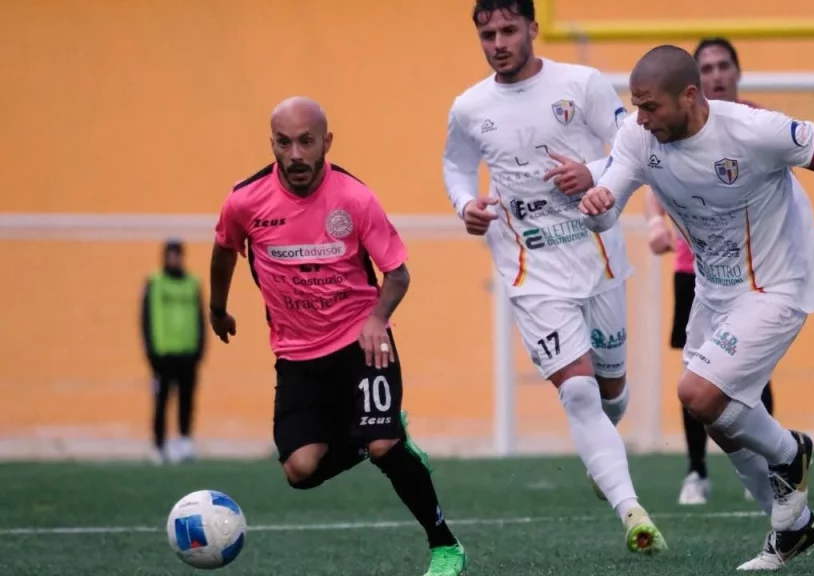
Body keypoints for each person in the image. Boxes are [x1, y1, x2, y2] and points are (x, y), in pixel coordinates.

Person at [579, 45, 814, 570]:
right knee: (715, 417)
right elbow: (607, 205)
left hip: (777, 286)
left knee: (696, 392)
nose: (639, 118)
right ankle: (793, 529)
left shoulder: (754, 131)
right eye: (635, 106)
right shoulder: (639, 138)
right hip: (714, 291)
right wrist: (596, 206)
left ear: (689, 96)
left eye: (650, 107)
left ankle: (789, 451)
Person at [442, 0, 665, 554]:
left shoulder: (582, 84)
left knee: (612, 395)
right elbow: (457, 165)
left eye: (508, 30)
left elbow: (635, 146)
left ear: (533, 28)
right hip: (531, 270)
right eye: (488, 34)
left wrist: (592, 172)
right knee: (580, 392)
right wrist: (466, 204)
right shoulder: (469, 108)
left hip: (598, 258)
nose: (498, 43)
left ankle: (602, 457)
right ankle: (633, 512)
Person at [209, 97, 466, 576]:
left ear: (326, 142)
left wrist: (377, 319)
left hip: (361, 342)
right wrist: (217, 308)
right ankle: (380, 432)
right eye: (284, 143)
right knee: (300, 471)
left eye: (306, 142)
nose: (295, 154)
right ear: (272, 144)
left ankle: (445, 546)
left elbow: (398, 274)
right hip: (296, 354)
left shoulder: (354, 198)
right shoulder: (245, 201)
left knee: (384, 446)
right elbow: (225, 247)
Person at [644, 37, 776, 506]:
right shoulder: (676, 128)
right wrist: (655, 223)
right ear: (692, 83)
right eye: (707, 68)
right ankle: (697, 471)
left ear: (737, 72)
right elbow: (651, 178)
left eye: (723, 65)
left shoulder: (759, 123)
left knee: (754, 371)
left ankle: (767, 466)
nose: (717, 75)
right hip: (694, 270)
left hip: (753, 272)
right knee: (695, 371)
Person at [141, 238, 206, 464]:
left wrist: (200, 348)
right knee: (161, 401)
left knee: (187, 400)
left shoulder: (192, 283)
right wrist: (151, 350)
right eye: (170, 254)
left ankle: (184, 441)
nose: (174, 259)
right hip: (163, 353)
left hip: (187, 352)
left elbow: (200, 317)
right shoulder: (155, 282)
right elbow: (146, 318)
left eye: (177, 254)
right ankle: (159, 445)